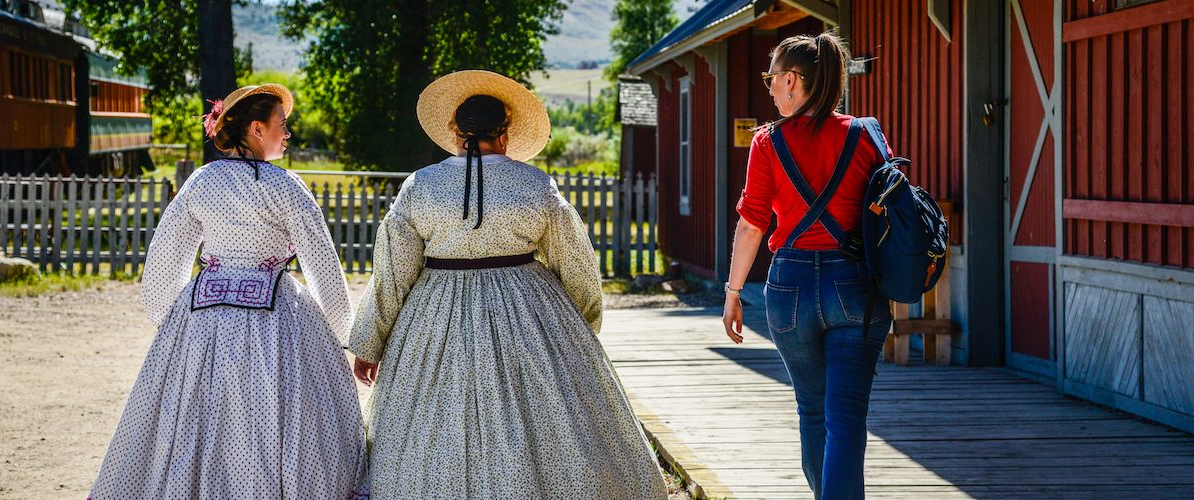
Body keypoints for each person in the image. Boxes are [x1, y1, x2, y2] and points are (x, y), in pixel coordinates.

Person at [348, 70, 666, 499]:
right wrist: (580, 330)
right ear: (506, 133)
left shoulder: (419, 187)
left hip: (435, 311)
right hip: (530, 310)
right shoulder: (537, 185)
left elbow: (392, 273)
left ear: (456, 132)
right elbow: (576, 263)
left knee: (434, 425)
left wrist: (371, 342)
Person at [89, 84, 368, 499]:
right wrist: (349, 338)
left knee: (199, 421)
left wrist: (172, 318)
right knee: (273, 419)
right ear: (257, 128)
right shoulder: (286, 187)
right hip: (277, 321)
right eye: (282, 125)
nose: (287, 134)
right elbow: (323, 267)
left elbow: (166, 255)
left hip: (204, 314)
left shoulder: (202, 182)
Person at [721, 33, 894, 500]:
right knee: (847, 416)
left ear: (793, 80)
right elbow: (891, 210)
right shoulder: (864, 135)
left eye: (771, 78)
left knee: (812, 412)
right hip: (854, 285)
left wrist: (734, 292)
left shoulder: (768, 142)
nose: (769, 88)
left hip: (790, 288)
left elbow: (752, 224)